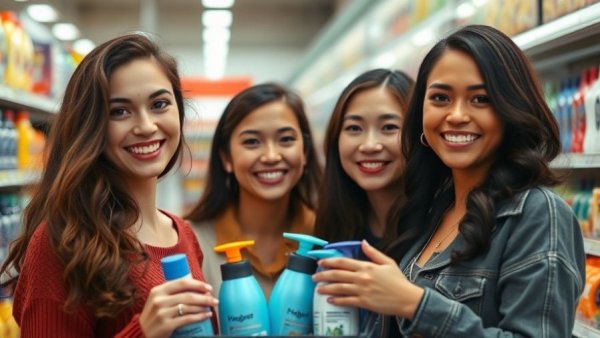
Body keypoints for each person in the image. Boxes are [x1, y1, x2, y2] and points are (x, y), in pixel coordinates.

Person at [312, 25, 585, 337]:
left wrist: (416, 305)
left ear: (512, 109)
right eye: (440, 97)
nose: (456, 115)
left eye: (480, 99)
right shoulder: (430, 211)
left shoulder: (538, 214)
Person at [0, 33, 218, 337]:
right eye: (120, 111)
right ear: (91, 126)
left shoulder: (183, 234)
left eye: (159, 104)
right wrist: (142, 331)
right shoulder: (62, 243)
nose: (145, 126)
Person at [185, 83, 322, 300]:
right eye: (252, 142)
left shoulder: (327, 235)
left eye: (286, 139)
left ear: (305, 151)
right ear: (226, 157)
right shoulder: (191, 241)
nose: (271, 156)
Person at [314, 68, 414, 245]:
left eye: (389, 127)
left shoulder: (444, 228)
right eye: (354, 128)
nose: (369, 145)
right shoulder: (331, 226)